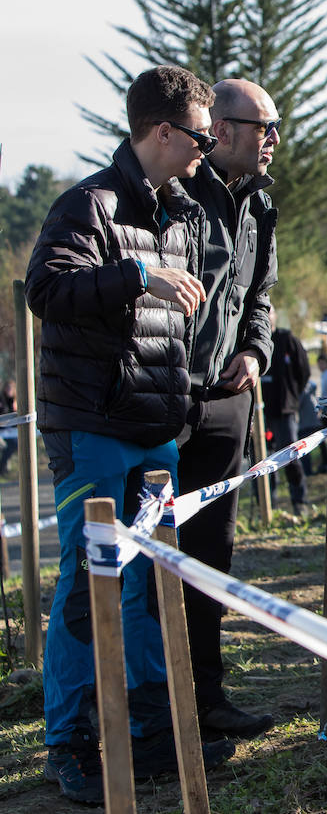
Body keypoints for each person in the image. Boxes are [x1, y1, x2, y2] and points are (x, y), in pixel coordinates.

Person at [25, 65, 234, 804]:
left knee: (149, 580)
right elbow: (45, 291)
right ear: (164, 131)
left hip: (155, 431)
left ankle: (149, 727)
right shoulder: (90, 205)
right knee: (90, 584)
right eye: (205, 135)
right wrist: (135, 272)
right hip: (92, 428)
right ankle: (71, 740)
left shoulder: (182, 214)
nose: (210, 149)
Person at [177, 77, 281, 739]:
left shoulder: (262, 205)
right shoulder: (177, 195)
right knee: (147, 559)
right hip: (163, 401)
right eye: (262, 125)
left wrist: (257, 351)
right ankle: (150, 704)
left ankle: (205, 697)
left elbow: (262, 295)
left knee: (211, 553)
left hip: (227, 402)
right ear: (219, 128)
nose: (273, 139)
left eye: (277, 126)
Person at [260, 311, 312, 516]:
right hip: (261, 412)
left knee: (291, 455)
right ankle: (268, 507)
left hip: (285, 410)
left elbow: (304, 371)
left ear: (274, 316)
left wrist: (292, 396)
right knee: (262, 460)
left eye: (269, 312)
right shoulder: (252, 340)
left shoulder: (287, 340)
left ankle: (300, 503)